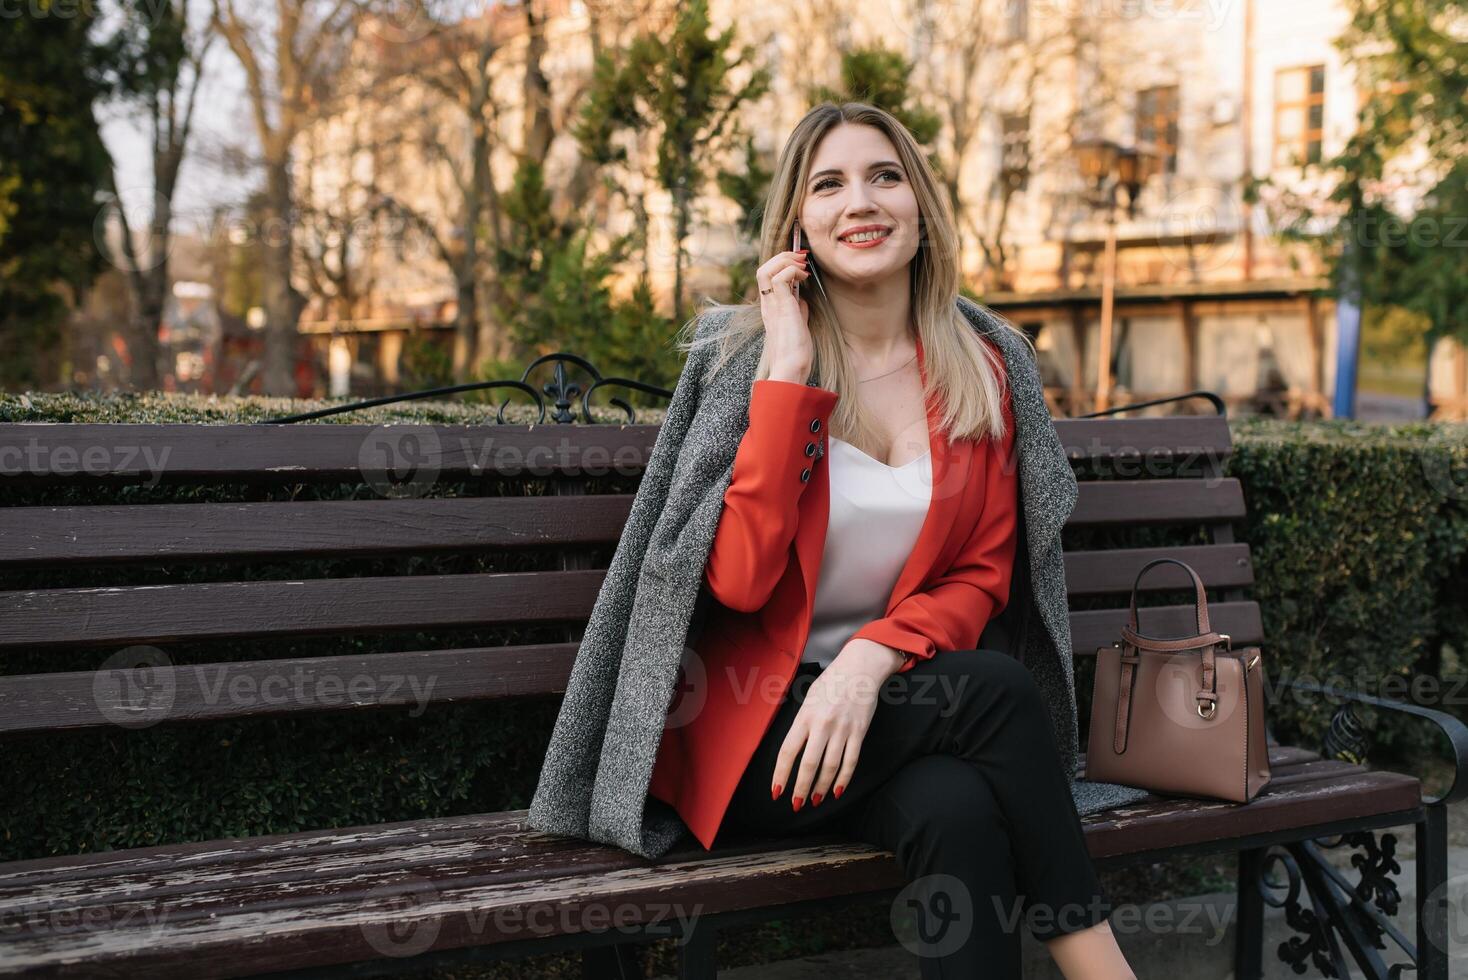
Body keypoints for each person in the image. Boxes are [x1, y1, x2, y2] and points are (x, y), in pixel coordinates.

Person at [660, 102, 1139, 979]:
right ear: (798, 225)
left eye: (885, 176)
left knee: (956, 811)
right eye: (829, 184)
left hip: (895, 715)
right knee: (996, 691)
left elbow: (980, 575)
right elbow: (735, 582)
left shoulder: (980, 367)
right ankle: (1104, 969)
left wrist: (868, 659)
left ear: (920, 207)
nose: (861, 202)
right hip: (760, 733)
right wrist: (788, 379)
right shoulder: (747, 364)